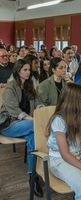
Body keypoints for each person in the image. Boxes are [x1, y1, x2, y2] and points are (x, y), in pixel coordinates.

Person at [0, 59, 43, 197]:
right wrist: (34, 119)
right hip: (8, 124)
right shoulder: (10, 87)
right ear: (18, 71)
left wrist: (41, 110)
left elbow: (38, 103)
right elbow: (13, 110)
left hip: (26, 125)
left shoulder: (30, 86)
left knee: (33, 138)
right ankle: (46, 165)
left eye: (29, 70)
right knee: (35, 127)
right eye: (25, 70)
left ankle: (33, 176)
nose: (28, 72)